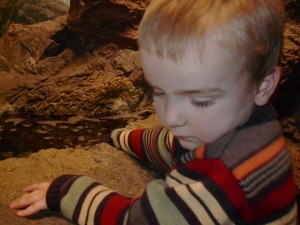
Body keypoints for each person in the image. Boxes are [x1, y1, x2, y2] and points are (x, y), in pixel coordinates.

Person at [10, 0, 297, 224]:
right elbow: (173, 146)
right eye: (159, 92)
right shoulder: (246, 122)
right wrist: (121, 138)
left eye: (199, 100)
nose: (170, 117)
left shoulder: (224, 174)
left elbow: (133, 220)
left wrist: (65, 190)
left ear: (262, 86)